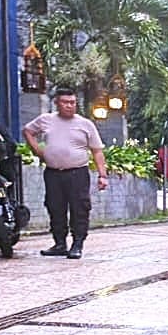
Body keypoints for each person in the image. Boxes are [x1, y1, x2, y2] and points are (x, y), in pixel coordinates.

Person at [22, 86, 107, 260]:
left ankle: (77, 244)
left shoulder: (85, 124)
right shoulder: (46, 120)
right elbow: (28, 131)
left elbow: (97, 151)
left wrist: (102, 175)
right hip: (53, 173)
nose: (70, 106)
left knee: (79, 208)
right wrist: (38, 151)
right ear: (56, 103)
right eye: (65, 102)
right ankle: (59, 243)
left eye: (73, 102)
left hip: (77, 173)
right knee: (55, 207)